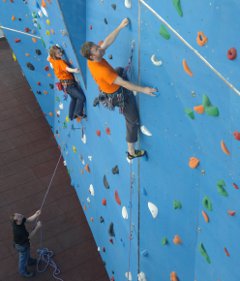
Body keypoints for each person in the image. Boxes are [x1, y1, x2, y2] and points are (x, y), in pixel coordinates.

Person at [80, 18, 157, 160]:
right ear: (92, 56)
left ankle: (103, 95)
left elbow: (107, 41)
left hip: (108, 84)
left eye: (97, 46)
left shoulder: (93, 58)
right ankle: (131, 152)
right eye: (97, 49)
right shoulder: (103, 71)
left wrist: (119, 27)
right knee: (132, 120)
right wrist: (144, 89)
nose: (100, 48)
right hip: (117, 94)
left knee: (120, 69)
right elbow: (124, 84)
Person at [48, 45, 86, 121]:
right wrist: (75, 70)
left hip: (65, 85)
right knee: (81, 97)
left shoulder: (52, 60)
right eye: (58, 53)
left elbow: (48, 58)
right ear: (54, 55)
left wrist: (55, 48)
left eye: (60, 51)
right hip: (69, 86)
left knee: (74, 99)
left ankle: (71, 116)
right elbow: (67, 69)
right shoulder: (60, 62)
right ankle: (78, 112)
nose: (60, 53)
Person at [11, 210, 42, 278]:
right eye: (18, 216)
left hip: (24, 243)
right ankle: (23, 272)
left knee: (27, 252)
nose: (20, 214)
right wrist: (37, 228)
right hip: (21, 245)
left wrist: (36, 214)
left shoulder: (19, 220)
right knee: (22, 259)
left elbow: (28, 220)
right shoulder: (19, 231)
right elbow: (29, 237)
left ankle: (29, 261)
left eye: (18, 213)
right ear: (17, 221)